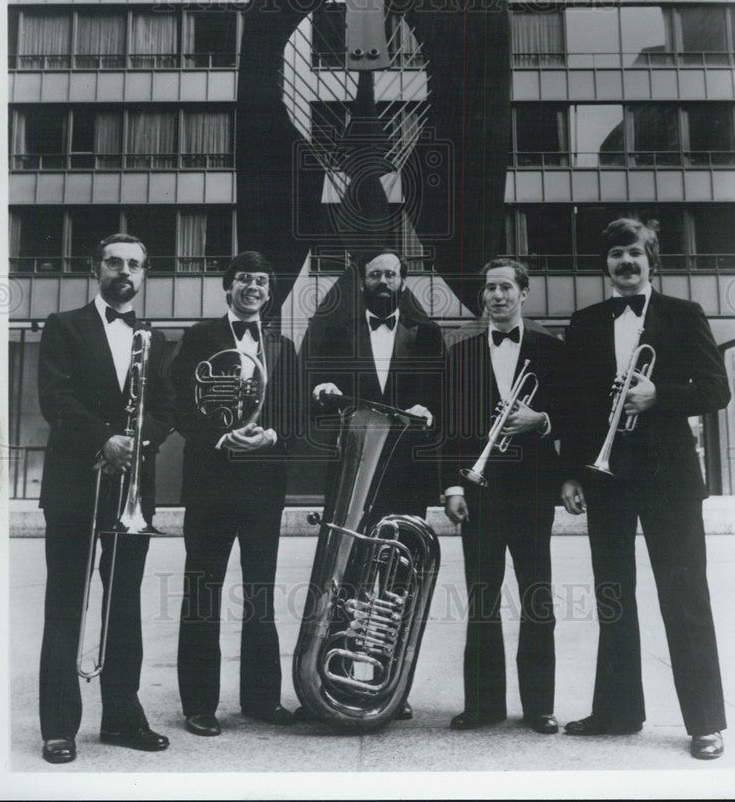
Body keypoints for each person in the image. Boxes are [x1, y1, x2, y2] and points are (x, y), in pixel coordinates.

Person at [561, 218, 730, 760]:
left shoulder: (684, 314)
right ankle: (617, 711)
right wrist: (569, 472)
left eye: (634, 253)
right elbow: (576, 407)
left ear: (650, 258)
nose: (625, 263)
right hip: (605, 478)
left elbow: (716, 389)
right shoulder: (585, 322)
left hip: (669, 480)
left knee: (684, 596)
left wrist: (660, 395)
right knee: (614, 597)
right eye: (615, 255)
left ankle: (705, 723)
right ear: (605, 264)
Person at [37, 233, 173, 764]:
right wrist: (104, 439)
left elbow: (166, 406)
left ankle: (121, 716)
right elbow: (55, 396)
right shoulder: (63, 325)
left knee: (123, 607)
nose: (124, 271)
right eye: (115, 262)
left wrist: (140, 441)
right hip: (74, 485)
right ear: (97, 269)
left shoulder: (156, 339)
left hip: (131, 490)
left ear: (144, 275)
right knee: (66, 604)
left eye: (134, 264)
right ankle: (59, 726)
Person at [301, 247, 445, 720]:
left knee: (394, 583)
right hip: (352, 466)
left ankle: (387, 686)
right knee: (341, 576)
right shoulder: (332, 328)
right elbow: (308, 380)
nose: (383, 281)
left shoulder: (426, 333)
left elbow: (445, 393)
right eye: (375, 274)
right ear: (362, 281)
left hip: (404, 473)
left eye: (391, 274)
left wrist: (430, 409)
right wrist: (320, 390)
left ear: (404, 281)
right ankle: (322, 680)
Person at [171, 250, 300, 736]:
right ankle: (200, 705)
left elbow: (291, 411)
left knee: (260, 593)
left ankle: (261, 700)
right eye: (244, 278)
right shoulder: (200, 336)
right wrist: (220, 436)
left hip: (263, 484)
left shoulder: (281, 345)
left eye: (262, 281)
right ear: (228, 287)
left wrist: (271, 435)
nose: (253, 287)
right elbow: (181, 403)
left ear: (270, 291)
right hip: (210, 480)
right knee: (202, 591)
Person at [443, 258, 566, 733]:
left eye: (505, 288)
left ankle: (539, 706)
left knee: (538, 599)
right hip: (480, 493)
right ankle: (483, 705)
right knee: (482, 599)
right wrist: (453, 486)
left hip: (533, 492)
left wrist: (543, 420)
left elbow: (575, 414)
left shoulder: (551, 350)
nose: (496, 296)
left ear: (524, 293)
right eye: (489, 288)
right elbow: (450, 428)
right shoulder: (461, 353)